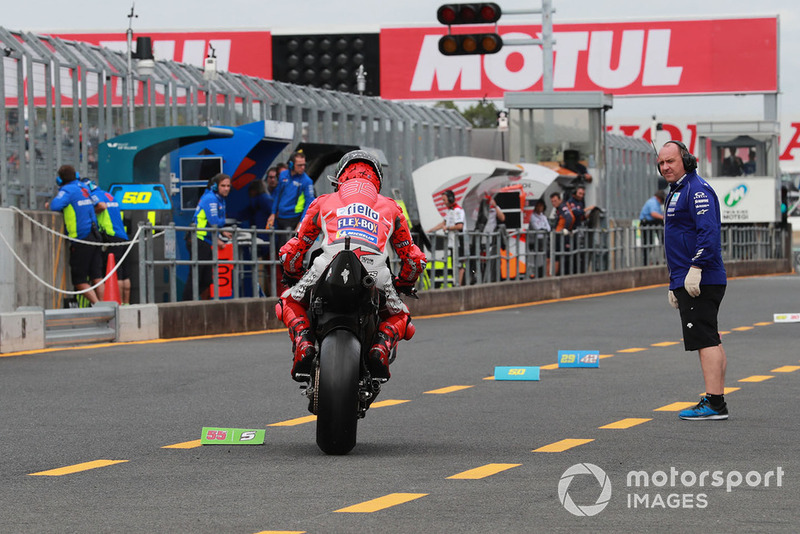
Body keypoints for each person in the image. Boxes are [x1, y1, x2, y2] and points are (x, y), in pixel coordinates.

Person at [275, 150, 426, 381]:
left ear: (340, 176)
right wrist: (404, 282)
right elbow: (414, 260)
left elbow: (291, 251)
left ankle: (304, 341)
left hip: (327, 266)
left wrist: (293, 273)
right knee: (403, 320)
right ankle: (381, 347)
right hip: (376, 273)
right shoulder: (392, 207)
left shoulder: (323, 201)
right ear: (378, 179)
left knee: (287, 301)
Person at [659, 140, 729, 421]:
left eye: (671, 161)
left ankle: (714, 403)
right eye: (661, 163)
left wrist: (696, 268)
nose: (665, 167)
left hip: (701, 277)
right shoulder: (677, 190)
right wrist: (673, 281)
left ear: (686, 160)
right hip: (687, 277)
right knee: (710, 336)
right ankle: (716, 399)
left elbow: (708, 232)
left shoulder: (695, 189)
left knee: (704, 339)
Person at [49, 164, 104, 304]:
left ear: (60, 180)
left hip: (82, 238)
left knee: (79, 281)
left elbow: (54, 206)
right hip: (95, 235)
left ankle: (98, 306)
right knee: (96, 276)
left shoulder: (67, 190)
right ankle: (106, 306)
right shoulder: (84, 188)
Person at [182, 173, 232, 301]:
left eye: (228, 186)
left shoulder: (219, 199)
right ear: (215, 186)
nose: (226, 188)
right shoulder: (211, 198)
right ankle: (186, 304)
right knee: (195, 277)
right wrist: (220, 231)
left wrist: (221, 232)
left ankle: (195, 302)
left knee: (206, 279)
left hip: (205, 240)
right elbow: (215, 221)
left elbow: (217, 223)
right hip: (198, 239)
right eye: (223, 186)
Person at [85, 179, 132, 305]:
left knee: (115, 273)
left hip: (111, 236)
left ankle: (119, 304)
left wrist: (88, 212)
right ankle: (126, 303)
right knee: (125, 273)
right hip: (123, 236)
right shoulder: (108, 195)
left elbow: (101, 206)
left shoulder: (93, 195)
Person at [267, 151, 315, 245]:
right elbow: (278, 194)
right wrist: (272, 213)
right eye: (299, 165)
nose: (303, 168)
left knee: (290, 249)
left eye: (304, 165)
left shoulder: (307, 181)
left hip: (294, 218)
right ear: (292, 164)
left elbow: (309, 203)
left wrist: (301, 223)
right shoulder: (283, 175)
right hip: (280, 217)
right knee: (278, 247)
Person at [427, 189, 467, 285]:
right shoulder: (450, 210)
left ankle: (458, 285)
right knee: (454, 264)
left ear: (450, 199)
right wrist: (430, 230)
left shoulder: (458, 210)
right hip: (453, 243)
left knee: (459, 265)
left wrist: (448, 228)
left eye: (444, 200)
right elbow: (443, 223)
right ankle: (456, 283)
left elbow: (459, 226)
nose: (443, 203)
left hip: (459, 243)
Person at [550, 191, 575, 276]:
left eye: (555, 201)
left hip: (560, 235)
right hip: (559, 235)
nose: (554, 203)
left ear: (560, 200)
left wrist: (565, 229)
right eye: (552, 201)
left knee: (558, 257)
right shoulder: (559, 208)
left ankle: (555, 275)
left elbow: (569, 217)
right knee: (558, 256)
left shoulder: (562, 207)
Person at [639, 190, 666, 266]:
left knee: (653, 241)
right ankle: (646, 262)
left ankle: (662, 259)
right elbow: (653, 214)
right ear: (659, 198)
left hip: (651, 222)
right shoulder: (653, 202)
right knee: (648, 242)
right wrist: (664, 217)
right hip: (647, 223)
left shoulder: (655, 202)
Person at [528, 198, 551, 277]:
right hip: (535, 240)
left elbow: (548, 228)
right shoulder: (532, 216)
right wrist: (543, 229)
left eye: (541, 206)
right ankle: (534, 273)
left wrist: (543, 229)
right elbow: (536, 227)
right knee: (535, 258)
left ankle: (542, 273)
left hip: (544, 239)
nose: (540, 208)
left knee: (544, 256)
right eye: (538, 206)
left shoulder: (543, 216)